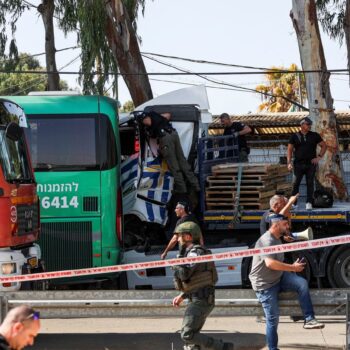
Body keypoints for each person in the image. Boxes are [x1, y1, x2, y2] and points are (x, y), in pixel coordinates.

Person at [249, 214, 324, 350]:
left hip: (278, 277)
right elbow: (270, 263)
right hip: (265, 285)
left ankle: (309, 319)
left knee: (301, 283)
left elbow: (277, 261)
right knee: (273, 319)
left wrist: (291, 267)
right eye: (285, 224)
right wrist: (292, 268)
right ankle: (273, 348)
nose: (288, 226)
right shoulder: (266, 241)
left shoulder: (277, 237)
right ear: (276, 225)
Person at [172, 222, 234, 350]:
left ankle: (222, 347)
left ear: (188, 237)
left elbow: (184, 275)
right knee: (192, 335)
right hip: (201, 298)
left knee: (187, 334)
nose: (177, 239)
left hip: (200, 300)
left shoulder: (194, 253)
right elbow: (197, 280)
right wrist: (183, 296)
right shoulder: (196, 251)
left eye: (179, 236)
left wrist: (177, 262)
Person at [140, 111, 200, 194]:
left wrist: (149, 130)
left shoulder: (145, 119)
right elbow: (168, 115)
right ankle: (196, 184)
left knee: (173, 165)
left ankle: (182, 189)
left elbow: (148, 123)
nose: (145, 123)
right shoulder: (154, 114)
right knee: (182, 160)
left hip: (165, 138)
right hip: (173, 134)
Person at [287, 116, 327, 210]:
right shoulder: (294, 136)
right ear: (302, 125)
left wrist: (319, 157)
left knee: (310, 183)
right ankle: (293, 203)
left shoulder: (314, 135)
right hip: (298, 164)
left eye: (310, 124)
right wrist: (289, 162)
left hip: (311, 164)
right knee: (296, 184)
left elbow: (324, 146)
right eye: (308, 124)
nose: (310, 126)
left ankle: (309, 202)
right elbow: (289, 150)